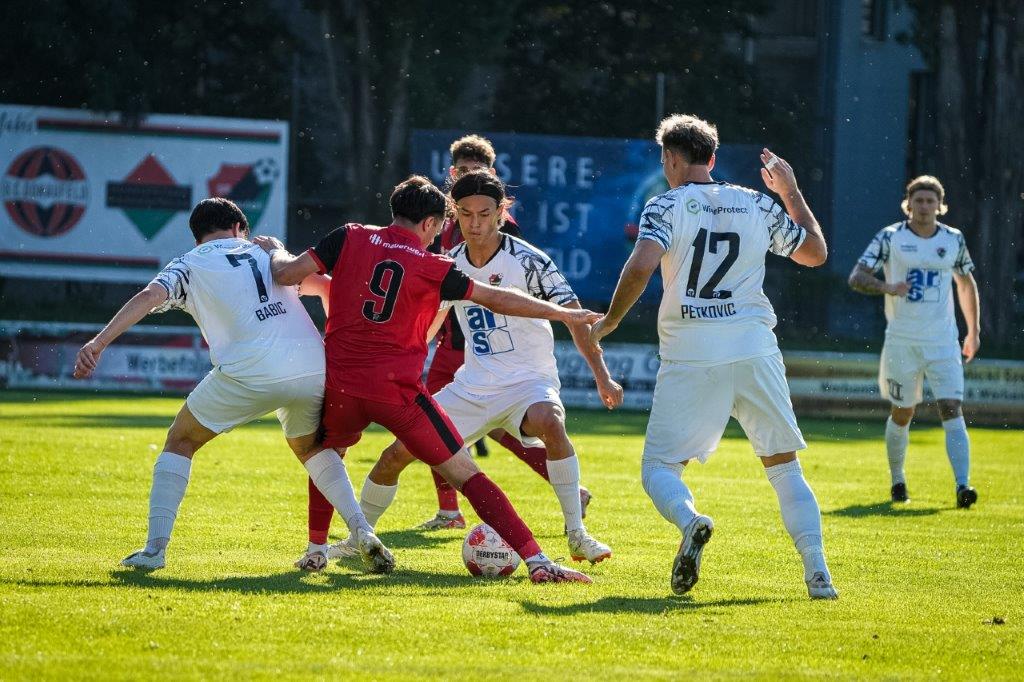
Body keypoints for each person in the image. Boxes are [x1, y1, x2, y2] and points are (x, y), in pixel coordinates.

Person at [259, 175, 597, 583]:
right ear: (433, 224)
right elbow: (496, 297)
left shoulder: (348, 236)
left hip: (342, 386)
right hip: (397, 391)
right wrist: (562, 313)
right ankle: (538, 563)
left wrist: (274, 251)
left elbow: (288, 273)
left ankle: (317, 549)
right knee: (467, 475)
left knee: (327, 455)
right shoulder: (434, 265)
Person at [590, 114, 838, 599]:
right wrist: (790, 191)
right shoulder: (755, 203)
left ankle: (690, 521)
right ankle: (818, 573)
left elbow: (640, 266)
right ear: (714, 158)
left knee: (660, 467)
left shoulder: (664, 206)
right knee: (784, 468)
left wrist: (612, 321)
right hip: (753, 347)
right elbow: (815, 254)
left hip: (691, 352)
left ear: (671, 159)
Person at [73, 198, 387, 572]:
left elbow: (149, 297)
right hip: (311, 365)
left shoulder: (189, 263)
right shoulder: (266, 253)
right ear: (240, 228)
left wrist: (99, 342)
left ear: (198, 238)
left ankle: (155, 550)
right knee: (313, 451)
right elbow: (326, 287)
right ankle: (362, 531)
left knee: (180, 439)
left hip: (250, 371)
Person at [848, 175, 980, 508]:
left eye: (930, 201)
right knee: (903, 412)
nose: (924, 207)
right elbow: (857, 276)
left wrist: (973, 331)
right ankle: (897, 479)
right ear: (909, 204)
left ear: (940, 204)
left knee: (951, 407)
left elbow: (966, 285)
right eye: (918, 201)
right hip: (902, 342)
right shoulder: (890, 238)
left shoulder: (953, 239)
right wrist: (885, 287)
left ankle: (963, 486)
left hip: (943, 342)